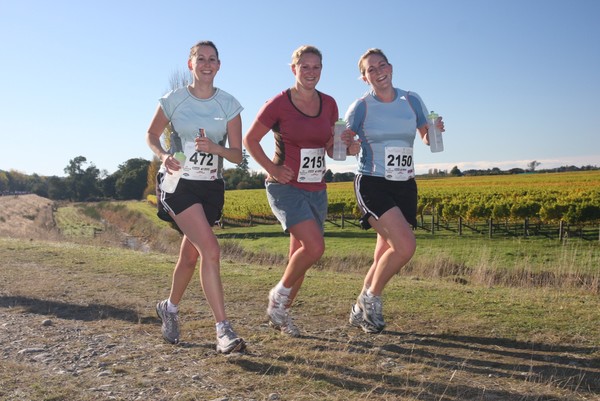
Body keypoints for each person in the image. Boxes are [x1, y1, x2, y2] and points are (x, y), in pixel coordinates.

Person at [243, 45, 358, 337]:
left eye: (316, 67)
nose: (310, 72)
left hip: (316, 187)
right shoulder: (279, 103)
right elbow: (251, 140)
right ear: (294, 69)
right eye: (304, 67)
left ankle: (281, 313)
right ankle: (278, 296)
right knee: (315, 247)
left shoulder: (330, 104)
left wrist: (348, 145)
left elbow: (331, 149)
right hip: (286, 186)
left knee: (300, 255)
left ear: (322, 70)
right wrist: (272, 168)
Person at [146, 40, 245, 353]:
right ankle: (223, 330)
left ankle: (169, 308)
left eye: (212, 59)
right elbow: (150, 134)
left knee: (191, 255)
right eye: (200, 59)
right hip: (179, 184)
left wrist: (216, 148)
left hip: (211, 187)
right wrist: (163, 155)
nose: (206, 64)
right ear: (191, 64)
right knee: (211, 250)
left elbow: (237, 155)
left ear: (218, 65)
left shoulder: (229, 104)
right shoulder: (174, 99)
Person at [344, 48, 445, 333]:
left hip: (404, 184)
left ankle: (358, 308)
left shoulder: (411, 100)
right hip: (373, 182)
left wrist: (434, 130)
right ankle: (371, 301)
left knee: (384, 252)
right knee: (405, 245)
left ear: (391, 68)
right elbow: (346, 143)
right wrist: (350, 146)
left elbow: (426, 136)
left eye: (382, 65)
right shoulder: (361, 106)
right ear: (364, 78)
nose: (378, 72)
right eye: (371, 69)